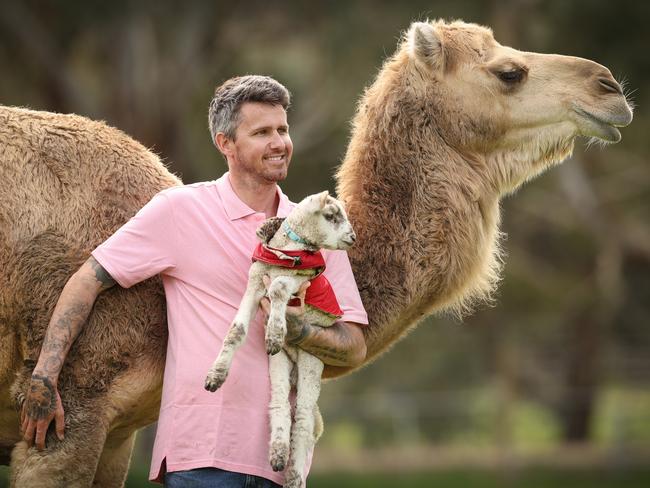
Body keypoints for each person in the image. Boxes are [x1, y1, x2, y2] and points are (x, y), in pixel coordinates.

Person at [21, 75, 368, 487]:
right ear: (226, 144)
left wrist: (298, 330)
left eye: (282, 129)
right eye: (261, 132)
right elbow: (88, 279)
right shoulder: (180, 210)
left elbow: (353, 347)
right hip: (201, 460)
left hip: (284, 466)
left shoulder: (319, 228)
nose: (279, 142)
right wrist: (44, 377)